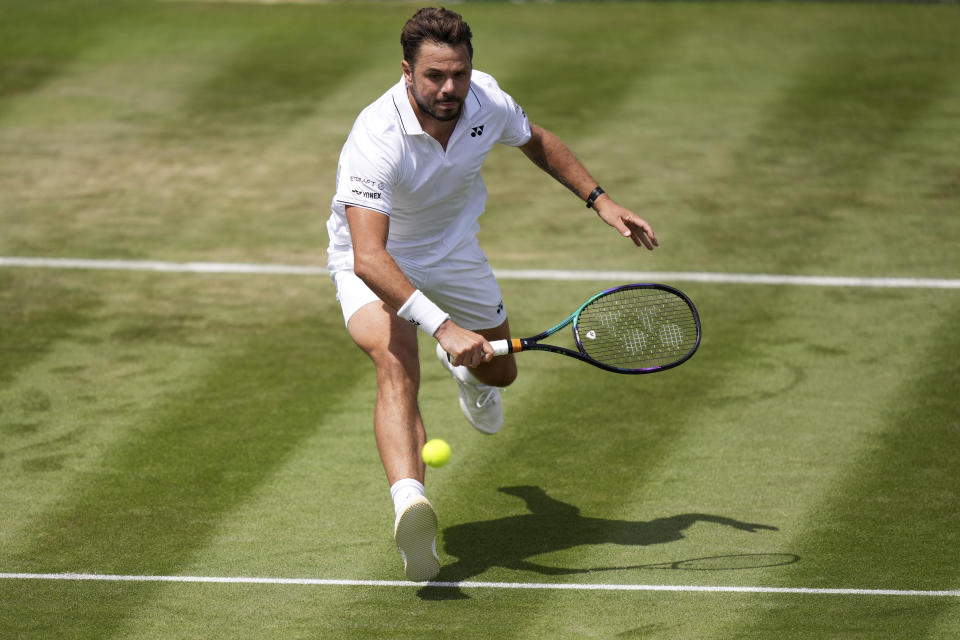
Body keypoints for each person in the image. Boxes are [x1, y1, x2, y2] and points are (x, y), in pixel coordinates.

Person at [325, 7, 657, 582]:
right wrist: (444, 327)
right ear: (407, 71)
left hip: (455, 252)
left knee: (499, 375)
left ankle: (468, 378)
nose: (449, 88)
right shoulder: (373, 137)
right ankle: (410, 505)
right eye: (434, 76)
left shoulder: (486, 100)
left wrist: (601, 200)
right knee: (395, 356)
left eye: (458, 73)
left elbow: (537, 142)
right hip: (378, 260)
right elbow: (370, 258)